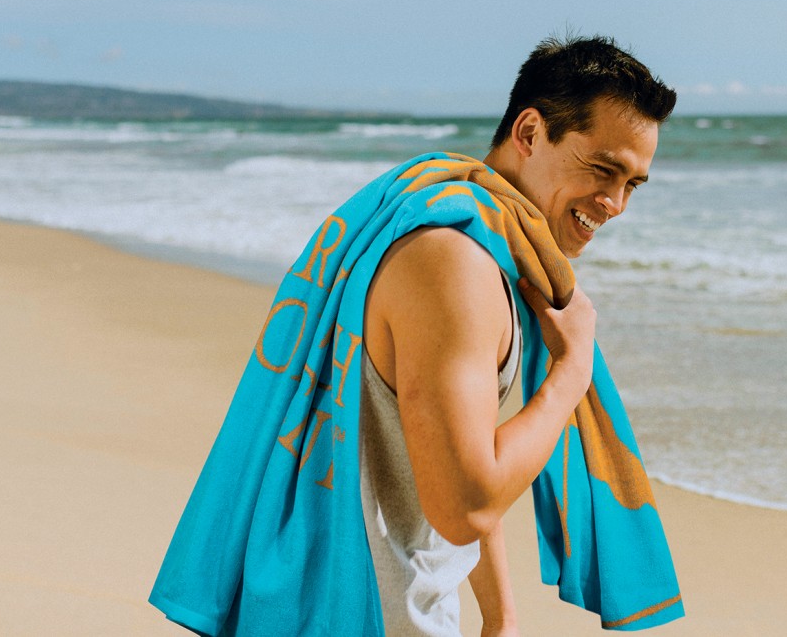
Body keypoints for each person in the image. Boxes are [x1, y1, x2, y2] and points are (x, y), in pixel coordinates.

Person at [150, 34, 681, 636]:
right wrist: (571, 371)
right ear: (530, 133)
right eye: (603, 169)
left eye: (633, 183)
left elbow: (461, 439)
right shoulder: (453, 263)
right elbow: (465, 505)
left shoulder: (451, 227)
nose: (615, 203)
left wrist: (500, 615)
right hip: (364, 612)